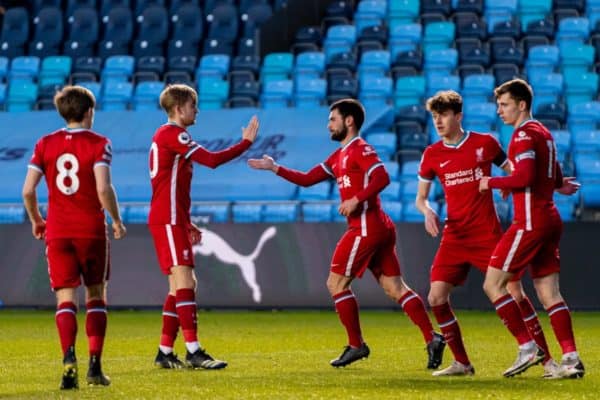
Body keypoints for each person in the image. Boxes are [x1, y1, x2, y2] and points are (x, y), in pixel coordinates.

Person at [248, 98, 445, 368]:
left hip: (365, 227)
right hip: (377, 227)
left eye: (333, 119)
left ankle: (356, 345)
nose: (329, 124)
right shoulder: (339, 156)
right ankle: (431, 337)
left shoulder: (360, 149)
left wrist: (356, 200)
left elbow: (382, 178)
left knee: (336, 284)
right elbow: (307, 179)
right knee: (395, 287)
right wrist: (275, 168)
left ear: (348, 121)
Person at [416, 90, 568, 377]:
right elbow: (420, 198)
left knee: (515, 292)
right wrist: (427, 212)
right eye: (434, 116)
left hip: (486, 233)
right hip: (454, 235)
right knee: (436, 298)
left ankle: (547, 360)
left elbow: (518, 170)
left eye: (444, 115)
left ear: (458, 116)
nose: (438, 121)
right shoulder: (431, 154)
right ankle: (462, 362)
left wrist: (512, 185)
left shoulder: (485, 143)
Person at [22, 86, 127, 389]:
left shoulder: (45, 143)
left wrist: (37, 219)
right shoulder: (99, 143)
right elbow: (103, 188)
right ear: (89, 112)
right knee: (95, 295)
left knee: (65, 298)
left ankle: (69, 358)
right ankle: (94, 367)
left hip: (57, 231)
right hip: (90, 231)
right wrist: (117, 220)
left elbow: (28, 190)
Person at [479, 78, 584, 378]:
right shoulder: (544, 132)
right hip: (549, 218)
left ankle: (528, 346)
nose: (499, 110)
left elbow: (523, 177)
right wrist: (558, 186)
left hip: (529, 222)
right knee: (549, 293)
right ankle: (571, 359)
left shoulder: (523, 135)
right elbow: (554, 174)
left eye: (504, 104)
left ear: (521, 104)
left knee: (493, 284)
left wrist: (492, 182)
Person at [149, 84, 259, 370]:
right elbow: (211, 160)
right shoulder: (173, 134)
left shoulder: (167, 136)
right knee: (184, 281)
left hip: (171, 218)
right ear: (178, 108)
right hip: (168, 219)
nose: (196, 110)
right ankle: (193, 351)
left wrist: (187, 222)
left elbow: (169, 187)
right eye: (192, 105)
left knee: (180, 284)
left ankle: (164, 351)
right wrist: (245, 143)